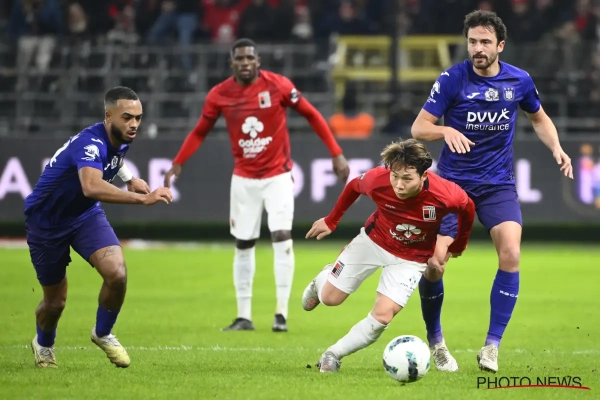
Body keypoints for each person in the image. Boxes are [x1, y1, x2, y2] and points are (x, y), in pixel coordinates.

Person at [411, 10, 574, 373]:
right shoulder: (452, 79)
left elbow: (539, 118)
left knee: (511, 253)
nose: (477, 49)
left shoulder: (519, 80)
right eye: (472, 42)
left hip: (497, 185)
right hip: (452, 187)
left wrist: (557, 148)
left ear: (500, 45)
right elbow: (419, 128)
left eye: (485, 42)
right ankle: (436, 341)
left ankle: (491, 346)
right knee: (435, 264)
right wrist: (444, 131)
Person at [163, 38, 350, 333]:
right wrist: (178, 161)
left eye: (250, 57)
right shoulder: (219, 94)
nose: (245, 62)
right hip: (244, 179)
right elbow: (200, 131)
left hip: (278, 176)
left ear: (258, 61)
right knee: (243, 243)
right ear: (232, 63)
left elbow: (312, 114)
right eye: (240, 58)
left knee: (282, 237)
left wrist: (336, 153)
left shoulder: (278, 85)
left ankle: (281, 314)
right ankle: (244, 316)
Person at [24, 86, 173, 368]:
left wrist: (129, 178)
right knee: (55, 303)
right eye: (127, 117)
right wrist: (143, 199)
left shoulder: (121, 136)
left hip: (84, 215)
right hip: (46, 222)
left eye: (138, 118)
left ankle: (103, 333)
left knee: (117, 274)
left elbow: (114, 158)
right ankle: (43, 344)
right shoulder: (89, 143)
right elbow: (91, 186)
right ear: (108, 116)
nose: (134, 124)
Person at [301, 139, 475, 373]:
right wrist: (332, 220)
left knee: (382, 317)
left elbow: (467, 207)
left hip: (411, 259)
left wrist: (459, 244)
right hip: (373, 241)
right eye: (395, 176)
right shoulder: (378, 179)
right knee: (330, 299)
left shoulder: (445, 193)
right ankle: (323, 278)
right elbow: (353, 186)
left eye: (407, 179)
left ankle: (333, 354)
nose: (399, 185)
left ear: (424, 176)